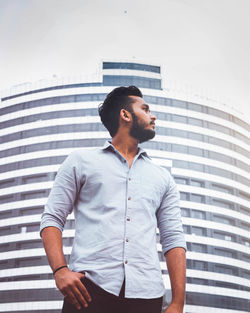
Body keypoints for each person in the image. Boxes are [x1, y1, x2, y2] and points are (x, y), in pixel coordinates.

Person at [40, 86, 186, 313]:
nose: (153, 115)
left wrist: (177, 303)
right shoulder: (80, 161)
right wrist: (60, 270)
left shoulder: (163, 178)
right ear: (125, 115)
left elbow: (173, 237)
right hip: (87, 291)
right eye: (145, 109)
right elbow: (52, 217)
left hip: (147, 296)